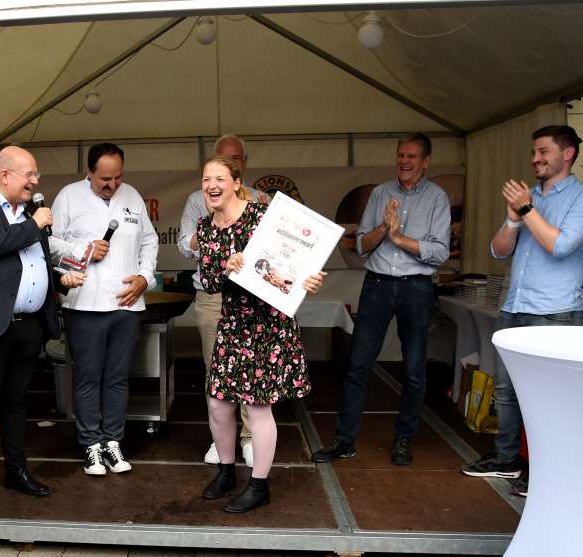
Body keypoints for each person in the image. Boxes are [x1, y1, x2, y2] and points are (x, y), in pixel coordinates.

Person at [461, 125, 583, 496]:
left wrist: (526, 209)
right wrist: (512, 218)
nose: (535, 159)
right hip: (516, 305)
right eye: (534, 152)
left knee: (550, 397)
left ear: (567, 154)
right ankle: (507, 459)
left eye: (543, 152)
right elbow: (499, 250)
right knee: (506, 392)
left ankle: (545, 469)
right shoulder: (529, 198)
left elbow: (561, 246)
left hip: (555, 312)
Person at [0, 145, 85, 512]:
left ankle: (16, 471)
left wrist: (61, 282)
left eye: (36, 175)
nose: (35, 181)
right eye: (29, 174)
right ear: (5, 175)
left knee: (17, 403)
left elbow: (33, 267)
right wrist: (34, 225)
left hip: (29, 325)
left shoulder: (30, 215)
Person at [196, 155, 326, 512]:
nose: (212, 185)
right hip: (233, 322)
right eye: (206, 179)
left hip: (267, 325)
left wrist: (307, 279)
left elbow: (294, 261)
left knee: (256, 407)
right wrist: (226, 265)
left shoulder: (261, 218)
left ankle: (259, 485)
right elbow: (208, 281)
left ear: (237, 183)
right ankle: (226, 471)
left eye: (220, 178)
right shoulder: (205, 227)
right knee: (218, 403)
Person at [313, 133, 451, 467]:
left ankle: (404, 439)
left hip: (416, 287)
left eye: (412, 157)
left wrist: (400, 238)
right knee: (358, 364)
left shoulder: (437, 199)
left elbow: (440, 252)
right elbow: (361, 244)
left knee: (415, 368)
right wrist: (382, 230)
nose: (404, 162)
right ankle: (344, 440)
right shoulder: (380, 192)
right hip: (376, 284)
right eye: (401, 155)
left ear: (426, 162)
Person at [50, 143, 159, 476]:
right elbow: (50, 245)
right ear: (90, 172)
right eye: (104, 179)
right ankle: (91, 445)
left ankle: (113, 441)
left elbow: (149, 241)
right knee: (86, 378)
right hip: (84, 304)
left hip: (126, 303)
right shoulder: (68, 196)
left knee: (116, 378)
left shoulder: (133, 197)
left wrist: (145, 277)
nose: (112, 184)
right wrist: (84, 249)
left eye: (117, 177)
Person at [179, 134, 270, 467]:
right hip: (212, 295)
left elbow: (277, 252)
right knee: (215, 372)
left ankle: (249, 438)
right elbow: (183, 246)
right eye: (211, 174)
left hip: (253, 302)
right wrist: (211, 224)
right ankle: (222, 440)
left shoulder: (261, 201)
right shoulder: (197, 200)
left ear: (241, 169)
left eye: (232, 163)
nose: (215, 181)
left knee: (250, 371)